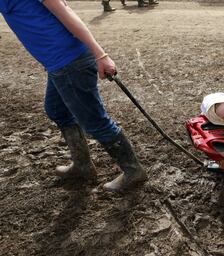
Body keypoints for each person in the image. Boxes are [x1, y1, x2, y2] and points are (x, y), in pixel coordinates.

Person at [0, 0, 147, 192]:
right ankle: (82, 165)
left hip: (69, 62)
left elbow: (65, 11)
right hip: (57, 64)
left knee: (95, 122)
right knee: (56, 109)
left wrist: (101, 55)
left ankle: (133, 171)